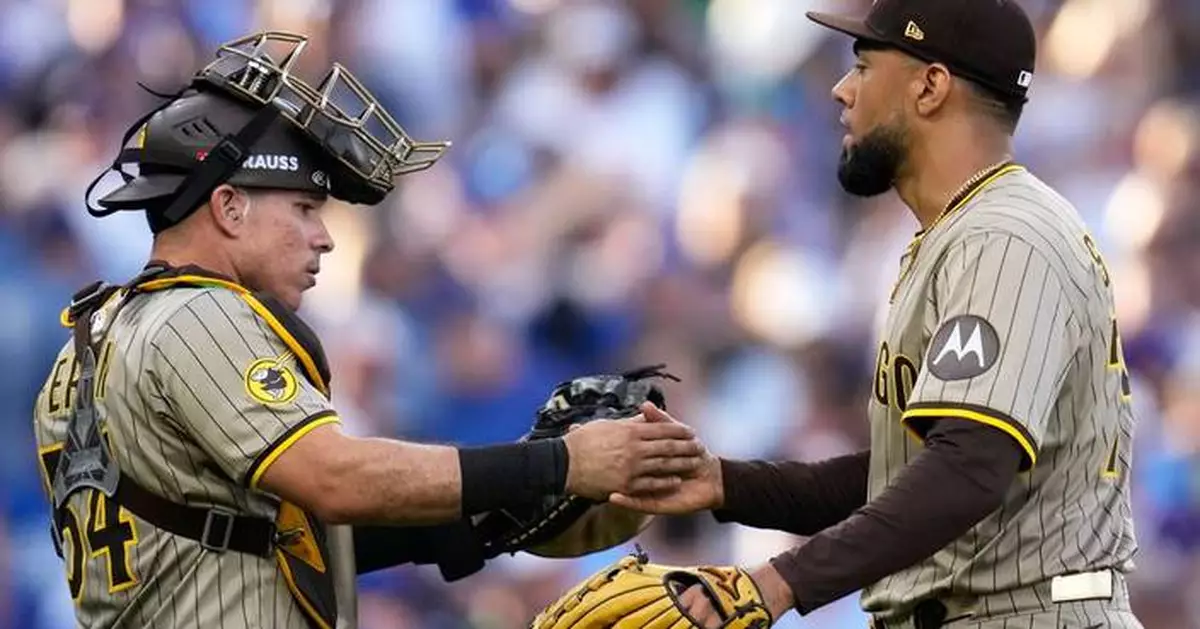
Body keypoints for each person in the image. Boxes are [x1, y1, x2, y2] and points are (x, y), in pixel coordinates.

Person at [32, 32, 703, 629]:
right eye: (302, 207)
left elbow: (241, 539)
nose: (323, 236)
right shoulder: (199, 313)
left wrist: (482, 515)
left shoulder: (89, 344)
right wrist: (561, 463)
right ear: (229, 207)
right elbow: (333, 479)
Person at [601, 1, 1144, 627]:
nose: (841, 88)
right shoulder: (966, 233)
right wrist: (727, 484)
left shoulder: (1006, 237)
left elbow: (967, 469)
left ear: (930, 86)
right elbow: (907, 476)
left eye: (864, 65)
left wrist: (781, 581)